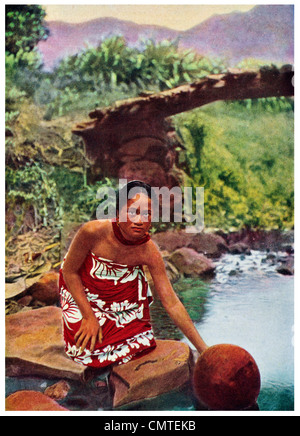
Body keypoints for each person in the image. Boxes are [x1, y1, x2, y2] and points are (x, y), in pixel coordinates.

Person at [59, 180, 208, 370]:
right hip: (81, 288)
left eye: (146, 214)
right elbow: (69, 271)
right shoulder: (92, 232)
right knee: (86, 349)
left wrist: (202, 348)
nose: (139, 221)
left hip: (120, 296)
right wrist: (88, 316)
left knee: (140, 346)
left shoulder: (149, 251)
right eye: (133, 212)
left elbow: (171, 302)